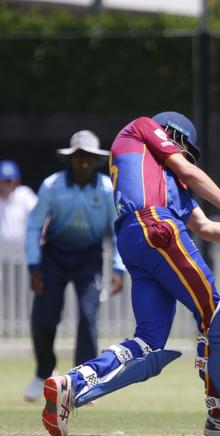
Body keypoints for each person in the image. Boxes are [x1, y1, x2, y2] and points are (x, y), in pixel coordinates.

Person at [40, 112, 220, 436]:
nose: (183, 161)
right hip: (154, 227)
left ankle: (70, 387)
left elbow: (205, 227)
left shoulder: (165, 180)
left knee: (148, 343)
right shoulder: (142, 127)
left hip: (136, 240)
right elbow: (187, 169)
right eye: (183, 151)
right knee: (219, 316)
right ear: (173, 137)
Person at [23, 131, 125, 402]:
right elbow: (34, 224)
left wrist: (118, 269)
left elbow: (116, 231)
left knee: (88, 316)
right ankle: (43, 372)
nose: (83, 162)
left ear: (95, 161)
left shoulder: (106, 189)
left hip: (88, 259)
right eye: (79, 156)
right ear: (71, 158)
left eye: (89, 157)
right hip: (53, 258)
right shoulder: (52, 185)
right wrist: (34, 265)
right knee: (44, 318)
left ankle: (83, 381)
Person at [0, 159, 37, 253]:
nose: (12, 184)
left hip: (24, 251)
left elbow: (42, 214)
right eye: (7, 181)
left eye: (15, 181)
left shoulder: (24, 194)